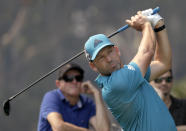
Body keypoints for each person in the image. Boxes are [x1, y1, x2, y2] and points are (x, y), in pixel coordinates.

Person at [84, 9, 177, 130]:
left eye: (110, 52)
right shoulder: (115, 84)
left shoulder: (132, 74)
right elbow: (147, 52)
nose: (108, 59)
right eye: (101, 57)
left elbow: (163, 63)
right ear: (93, 66)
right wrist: (146, 25)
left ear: (117, 51)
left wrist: (158, 25)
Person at [37, 63, 110, 131]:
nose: (74, 81)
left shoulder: (87, 103)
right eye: (69, 78)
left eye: (78, 78)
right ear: (58, 84)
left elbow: (104, 129)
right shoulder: (51, 97)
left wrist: (96, 94)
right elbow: (58, 127)